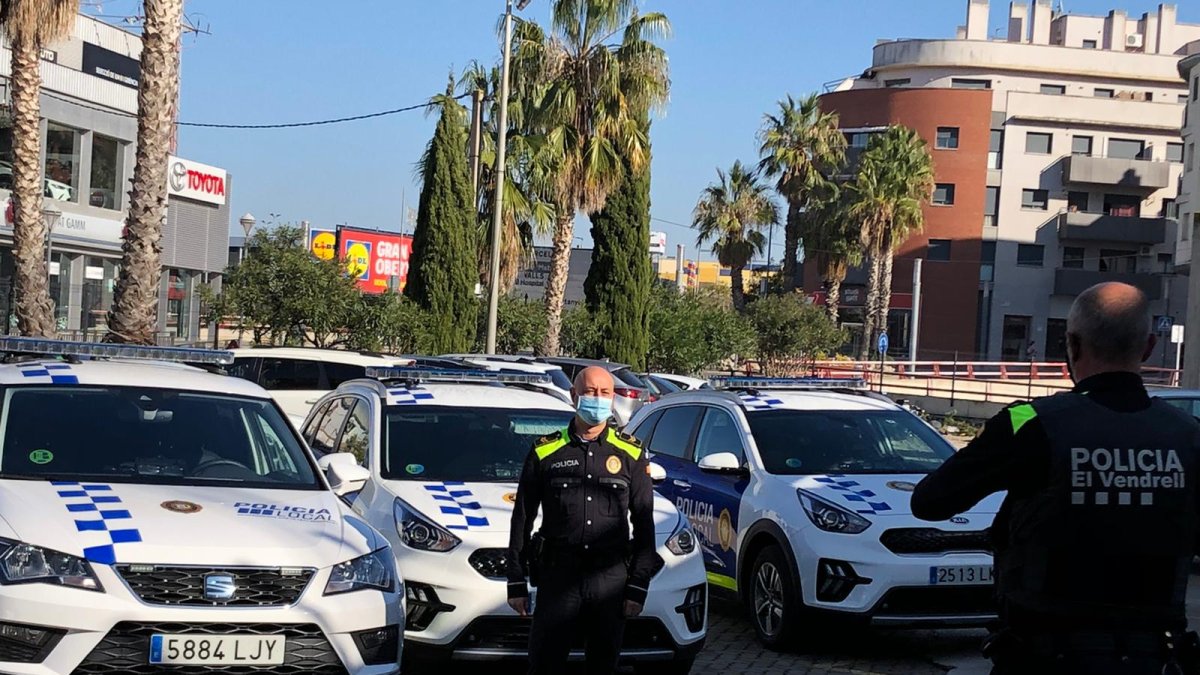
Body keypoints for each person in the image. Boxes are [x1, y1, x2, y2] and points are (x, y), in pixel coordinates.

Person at [911, 282, 1200, 674]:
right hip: (1155, 659)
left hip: (1044, 656)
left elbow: (929, 502)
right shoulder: (1190, 434)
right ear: (1148, 347)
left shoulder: (1026, 421)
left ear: (1072, 345)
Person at [506, 365, 661, 674]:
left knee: (603, 665)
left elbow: (644, 523)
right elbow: (522, 517)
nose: (598, 399)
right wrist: (515, 581)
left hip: (610, 580)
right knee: (544, 663)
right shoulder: (545, 450)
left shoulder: (630, 453)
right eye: (590, 392)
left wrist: (637, 587)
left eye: (605, 393)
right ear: (575, 395)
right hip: (558, 577)